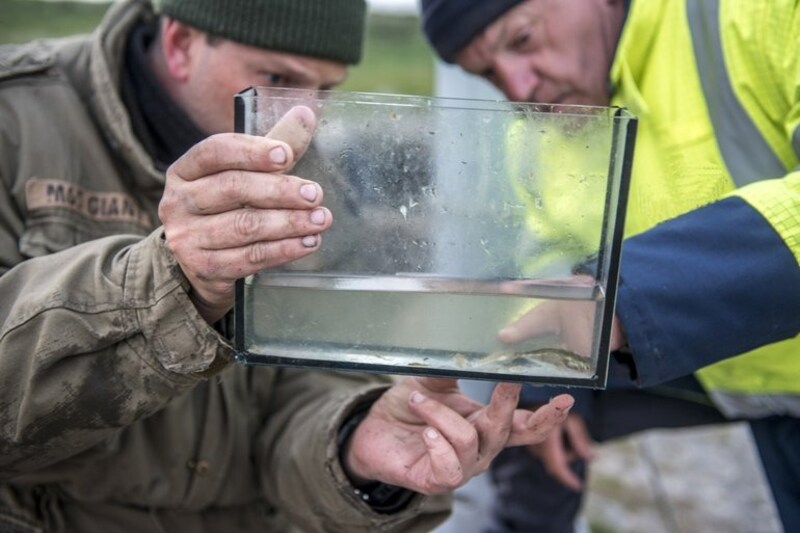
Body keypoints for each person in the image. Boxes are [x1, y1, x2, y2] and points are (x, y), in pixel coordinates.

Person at [0, 1, 577, 531]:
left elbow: (305, 395)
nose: (307, 117)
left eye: (327, 89)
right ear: (180, 45)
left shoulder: (315, 179)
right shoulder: (16, 120)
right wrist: (174, 282)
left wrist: (353, 446)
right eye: (277, 79)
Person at [420, 0, 800, 531]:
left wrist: (620, 299)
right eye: (488, 74)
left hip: (757, 358)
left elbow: (608, 299)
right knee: (519, 397)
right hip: (755, 377)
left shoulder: (756, 13)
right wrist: (549, 371)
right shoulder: (537, 134)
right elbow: (549, 255)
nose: (519, 87)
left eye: (523, 40)